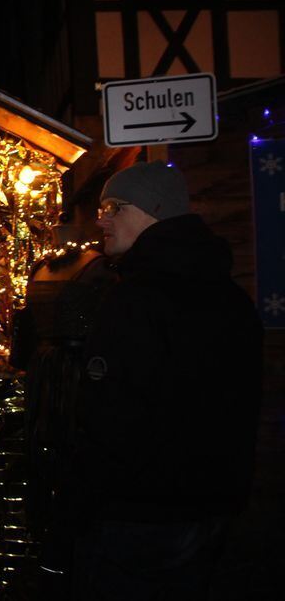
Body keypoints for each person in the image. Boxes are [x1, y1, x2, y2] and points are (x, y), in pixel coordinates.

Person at [68, 161, 263, 600]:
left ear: (152, 209)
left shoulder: (136, 298)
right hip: (209, 508)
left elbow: (110, 413)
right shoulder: (228, 295)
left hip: (139, 514)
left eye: (113, 207)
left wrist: (86, 498)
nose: (101, 219)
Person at [10, 186, 117, 598]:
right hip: (59, 378)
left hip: (63, 378)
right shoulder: (90, 269)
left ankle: (62, 557)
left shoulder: (92, 270)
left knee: (66, 463)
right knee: (57, 463)